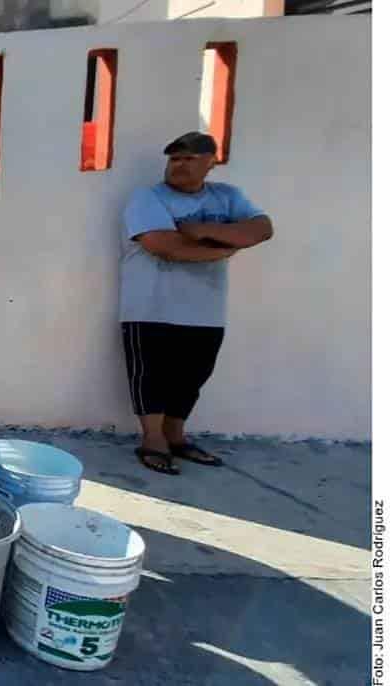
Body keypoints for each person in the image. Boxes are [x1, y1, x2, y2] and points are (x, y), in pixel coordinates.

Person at [120, 132, 274, 475]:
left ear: (210, 162)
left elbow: (261, 229)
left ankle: (177, 437)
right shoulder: (148, 198)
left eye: (189, 159)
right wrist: (226, 244)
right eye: (174, 159)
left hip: (206, 311)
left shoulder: (228, 196)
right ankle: (153, 440)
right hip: (150, 308)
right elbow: (164, 245)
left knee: (192, 378)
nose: (179, 166)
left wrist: (201, 229)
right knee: (150, 378)